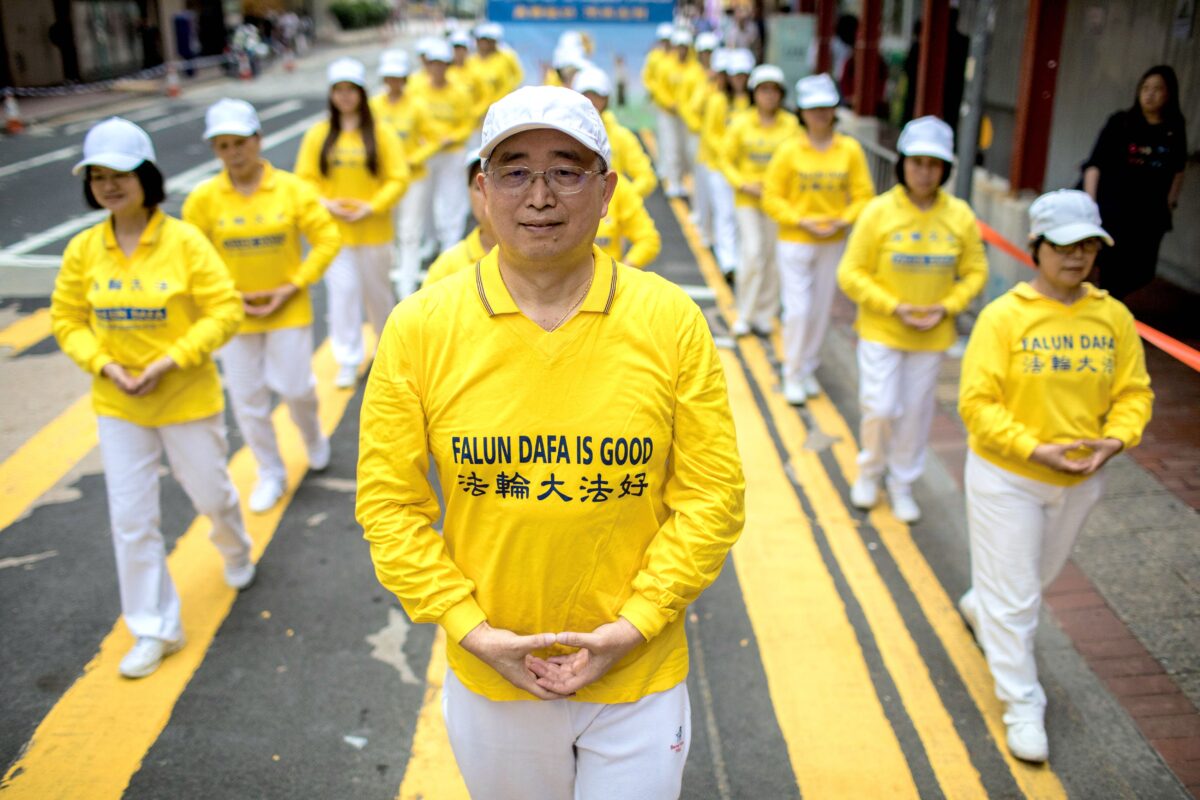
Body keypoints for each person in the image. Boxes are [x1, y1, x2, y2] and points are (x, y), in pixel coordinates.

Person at [357, 85, 745, 799]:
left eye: (567, 170)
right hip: (494, 673)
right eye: (514, 171)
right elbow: (390, 505)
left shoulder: (669, 321)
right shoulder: (420, 328)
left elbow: (712, 496)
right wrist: (471, 628)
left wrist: (636, 625)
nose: (540, 195)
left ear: (606, 192)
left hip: (637, 674)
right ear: (481, 190)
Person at [50, 118, 253, 679]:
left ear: (146, 176)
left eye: (120, 173)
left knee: (211, 495)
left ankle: (233, 545)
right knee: (132, 519)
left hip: (187, 398)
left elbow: (225, 310)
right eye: (97, 176)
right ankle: (153, 626)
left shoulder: (185, 241)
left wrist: (171, 359)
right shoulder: (84, 250)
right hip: (120, 405)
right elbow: (67, 319)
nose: (109, 185)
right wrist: (105, 364)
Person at [957, 189, 1152, 763]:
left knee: (1027, 584)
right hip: (1007, 477)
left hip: (1080, 481)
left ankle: (982, 605)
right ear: (1036, 248)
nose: (1077, 257)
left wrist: (1115, 440)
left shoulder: (1113, 316)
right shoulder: (1003, 317)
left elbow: (1134, 393)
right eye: (1064, 246)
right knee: (1019, 601)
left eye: (1088, 245)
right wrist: (1033, 449)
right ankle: (1022, 704)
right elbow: (977, 404)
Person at [183, 99, 342, 513]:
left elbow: (327, 239)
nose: (234, 153)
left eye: (240, 142)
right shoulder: (202, 199)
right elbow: (192, 257)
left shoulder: (292, 190)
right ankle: (270, 470)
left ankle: (312, 437)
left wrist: (293, 286)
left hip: (286, 308)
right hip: (233, 315)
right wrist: (227, 296)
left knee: (296, 388)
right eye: (223, 145)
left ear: (258, 139)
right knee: (248, 399)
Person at [837, 116, 986, 522]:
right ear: (902, 163)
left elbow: (975, 271)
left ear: (946, 170)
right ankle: (870, 472)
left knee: (917, 414)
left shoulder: (959, 216)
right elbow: (850, 272)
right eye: (917, 162)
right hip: (882, 330)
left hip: (931, 336)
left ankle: (902, 483)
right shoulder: (878, 212)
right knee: (881, 407)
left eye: (934, 164)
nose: (924, 172)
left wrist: (947, 306)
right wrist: (893, 306)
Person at [295, 57, 409, 389]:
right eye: (338, 90)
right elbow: (304, 179)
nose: (345, 96)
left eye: (351, 90)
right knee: (342, 296)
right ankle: (347, 359)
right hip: (335, 235)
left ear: (361, 93)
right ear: (331, 95)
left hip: (375, 232)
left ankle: (388, 354)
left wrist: (371, 207)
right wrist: (326, 203)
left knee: (378, 296)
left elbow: (398, 178)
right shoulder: (318, 135)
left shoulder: (381, 133)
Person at [763, 74, 873, 405]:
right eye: (813, 109)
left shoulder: (850, 149)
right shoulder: (788, 150)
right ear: (802, 113)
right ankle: (792, 372)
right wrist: (802, 221)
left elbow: (864, 195)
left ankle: (807, 366)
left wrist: (843, 220)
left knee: (820, 309)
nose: (820, 115)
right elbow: (772, 197)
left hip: (832, 241)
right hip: (796, 239)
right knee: (798, 309)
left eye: (826, 108)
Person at [1083, 65, 1187, 299]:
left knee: (1140, 273)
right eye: (1145, 88)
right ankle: (1101, 310)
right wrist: (1090, 205)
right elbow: (1094, 164)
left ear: (1169, 94)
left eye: (1157, 89)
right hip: (1111, 211)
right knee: (1105, 268)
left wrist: (1170, 204)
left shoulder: (1174, 129)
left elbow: (1178, 170)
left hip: (1148, 218)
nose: (1149, 94)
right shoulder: (1121, 122)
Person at [721, 64, 799, 337]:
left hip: (778, 201)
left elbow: (795, 162)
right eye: (763, 90)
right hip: (748, 200)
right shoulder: (741, 123)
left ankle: (765, 314)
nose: (768, 96)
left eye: (774, 90)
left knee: (771, 257)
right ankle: (744, 312)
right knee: (752, 253)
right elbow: (726, 159)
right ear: (755, 93)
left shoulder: (791, 126)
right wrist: (743, 183)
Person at [370, 50, 439, 298]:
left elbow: (433, 139)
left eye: (398, 77)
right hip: (384, 180)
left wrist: (413, 159)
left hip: (413, 179)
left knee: (409, 233)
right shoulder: (374, 105)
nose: (393, 81)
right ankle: (393, 276)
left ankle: (407, 286)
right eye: (389, 77)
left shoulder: (417, 106)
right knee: (388, 234)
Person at [412, 39, 477, 256]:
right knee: (425, 200)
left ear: (448, 66)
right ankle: (430, 240)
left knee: (452, 198)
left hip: (452, 152)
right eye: (433, 63)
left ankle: (450, 245)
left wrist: (453, 137)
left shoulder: (459, 92)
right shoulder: (417, 89)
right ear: (427, 65)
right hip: (427, 154)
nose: (437, 68)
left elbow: (467, 123)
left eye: (442, 63)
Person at [702, 47, 753, 281]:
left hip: (748, 171)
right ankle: (728, 261)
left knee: (742, 216)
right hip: (719, 167)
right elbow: (710, 133)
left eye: (744, 75)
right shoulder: (718, 100)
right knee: (725, 213)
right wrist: (726, 152)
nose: (740, 79)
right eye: (736, 75)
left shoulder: (753, 103)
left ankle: (741, 260)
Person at [573, 66, 657, 198]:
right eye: (586, 95)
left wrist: (618, 198)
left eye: (596, 95)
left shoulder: (620, 135)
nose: (591, 101)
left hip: (612, 217)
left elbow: (646, 177)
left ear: (606, 99)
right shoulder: (565, 135)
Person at [424, 149, 495, 285]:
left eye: (497, 183)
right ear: (468, 193)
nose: (488, 195)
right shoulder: (447, 266)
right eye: (479, 187)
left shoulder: (538, 257)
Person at [678, 31, 720, 245]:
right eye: (704, 52)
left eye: (711, 52)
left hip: (720, 142)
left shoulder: (721, 75)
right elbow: (690, 105)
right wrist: (696, 126)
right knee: (702, 181)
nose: (707, 56)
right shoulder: (695, 75)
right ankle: (704, 226)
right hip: (699, 136)